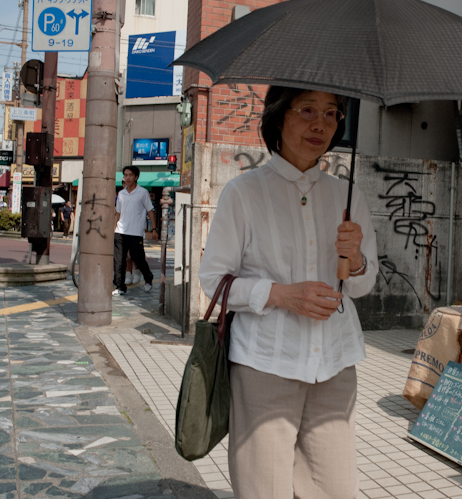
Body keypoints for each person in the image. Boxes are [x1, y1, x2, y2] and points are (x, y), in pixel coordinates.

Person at [198, 87, 378, 498]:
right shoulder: (244, 192)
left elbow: (363, 285)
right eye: (308, 110)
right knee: (265, 488)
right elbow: (214, 279)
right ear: (279, 117)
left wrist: (357, 259)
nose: (321, 124)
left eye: (332, 114)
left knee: (335, 488)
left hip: (334, 363)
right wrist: (281, 295)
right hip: (265, 363)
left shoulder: (348, 197)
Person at [112, 165, 158, 296]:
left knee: (138, 258)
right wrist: (114, 229)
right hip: (120, 231)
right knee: (119, 260)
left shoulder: (143, 193)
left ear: (136, 177)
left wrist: (154, 229)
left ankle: (148, 278)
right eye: (125, 175)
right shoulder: (121, 194)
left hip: (136, 232)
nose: (127, 178)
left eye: (130, 175)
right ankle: (120, 286)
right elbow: (118, 213)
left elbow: (150, 211)